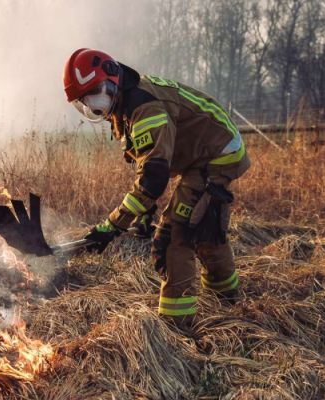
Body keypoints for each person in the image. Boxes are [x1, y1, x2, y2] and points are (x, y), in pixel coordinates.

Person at [63, 49, 251, 326]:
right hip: (205, 151)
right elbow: (146, 163)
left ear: (113, 79)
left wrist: (111, 226)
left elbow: (152, 180)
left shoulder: (145, 107)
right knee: (206, 228)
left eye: (95, 92)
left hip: (217, 155)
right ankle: (229, 303)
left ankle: (177, 327)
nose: (92, 104)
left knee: (175, 234)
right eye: (84, 99)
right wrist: (144, 213)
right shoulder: (123, 104)